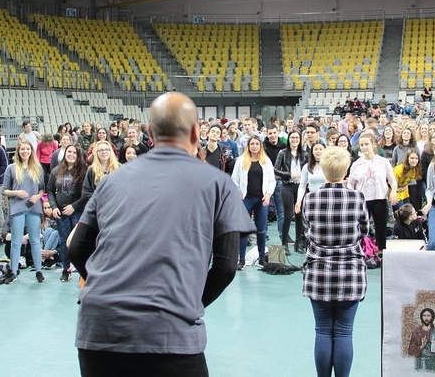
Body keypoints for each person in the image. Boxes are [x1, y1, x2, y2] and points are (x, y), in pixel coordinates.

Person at [67, 92, 254, 377]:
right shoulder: (219, 184)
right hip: (170, 336)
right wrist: (189, 302)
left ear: (150, 133)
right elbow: (227, 265)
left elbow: (77, 247)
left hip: (99, 331)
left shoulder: (112, 181)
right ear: (195, 132)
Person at [301, 146, 367, 377]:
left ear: (322, 168)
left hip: (318, 272)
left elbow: (306, 232)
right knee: (343, 332)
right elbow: (364, 232)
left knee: (322, 330)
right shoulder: (357, 198)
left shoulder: (310, 199)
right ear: (346, 169)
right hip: (351, 273)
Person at [2, 140, 46, 284]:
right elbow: (5, 190)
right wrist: (17, 192)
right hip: (17, 207)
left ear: (31, 151)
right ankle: (13, 271)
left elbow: (41, 188)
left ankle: (39, 270)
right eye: (22, 149)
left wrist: (38, 197)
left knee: (35, 240)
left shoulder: (37, 167)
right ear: (18, 151)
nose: (25, 152)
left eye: (27, 149)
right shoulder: (11, 168)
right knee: (16, 241)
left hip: (34, 207)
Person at [347, 132, 398, 250]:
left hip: (380, 199)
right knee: (361, 229)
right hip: (363, 201)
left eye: (367, 144)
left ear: (373, 145)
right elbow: (351, 183)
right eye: (362, 145)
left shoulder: (383, 162)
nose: (364, 147)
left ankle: (381, 252)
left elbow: (392, 180)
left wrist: (394, 191)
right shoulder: (356, 164)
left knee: (381, 229)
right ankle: (361, 251)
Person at [231, 136, 276, 268]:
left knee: (261, 230)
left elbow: (271, 181)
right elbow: (234, 179)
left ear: (260, 146)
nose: (254, 146)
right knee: (243, 229)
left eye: (257, 144)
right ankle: (241, 259)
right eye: (252, 144)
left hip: (261, 200)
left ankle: (262, 258)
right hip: (245, 199)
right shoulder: (241, 161)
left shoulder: (266, 161)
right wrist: (238, 195)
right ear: (248, 146)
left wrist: (268, 194)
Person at [47, 144, 88, 282]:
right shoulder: (56, 171)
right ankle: (66, 269)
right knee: (64, 241)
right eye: (69, 151)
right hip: (61, 212)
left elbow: (86, 194)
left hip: (77, 211)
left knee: (78, 242)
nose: (71, 154)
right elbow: (50, 191)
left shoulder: (84, 171)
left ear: (78, 156)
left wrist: (74, 206)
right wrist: (53, 207)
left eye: (74, 153)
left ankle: (82, 271)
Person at [274, 130, 308, 253]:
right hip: (287, 186)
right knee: (288, 215)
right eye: (292, 137)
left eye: (296, 137)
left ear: (300, 139)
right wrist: (290, 175)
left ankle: (298, 243)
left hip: (301, 187)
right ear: (288, 139)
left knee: (299, 216)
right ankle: (284, 244)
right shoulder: (282, 153)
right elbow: (275, 170)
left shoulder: (305, 154)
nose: (294, 140)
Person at [295, 142, 328, 253]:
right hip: (312, 201)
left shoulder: (328, 165)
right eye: (316, 149)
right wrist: (299, 200)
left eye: (320, 149)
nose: (318, 151)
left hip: (326, 200)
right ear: (312, 152)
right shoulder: (307, 167)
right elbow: (302, 186)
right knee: (311, 227)